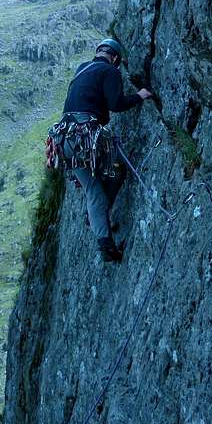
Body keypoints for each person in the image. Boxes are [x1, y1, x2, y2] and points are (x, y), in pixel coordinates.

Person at [61, 38, 152, 262]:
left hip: (64, 139)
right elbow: (116, 104)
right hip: (86, 134)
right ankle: (98, 217)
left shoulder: (82, 69)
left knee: (93, 190)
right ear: (115, 58)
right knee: (117, 169)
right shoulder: (109, 71)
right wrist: (140, 96)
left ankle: (106, 246)